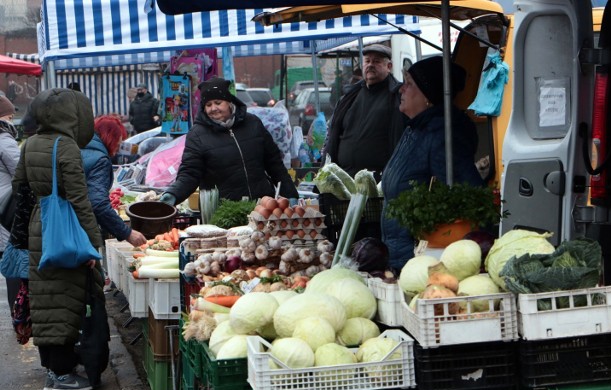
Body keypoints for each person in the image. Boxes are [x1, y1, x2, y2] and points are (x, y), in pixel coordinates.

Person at [12, 88, 104, 390]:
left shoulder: (29, 143)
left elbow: (20, 190)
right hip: (67, 230)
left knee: (46, 301)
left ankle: (54, 372)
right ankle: (63, 377)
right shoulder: (66, 146)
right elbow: (80, 200)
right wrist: (93, 245)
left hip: (40, 225)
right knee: (66, 300)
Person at [381, 56, 484, 271]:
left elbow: (463, 194)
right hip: (402, 253)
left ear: (428, 96)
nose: (401, 89)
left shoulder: (443, 135)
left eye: (409, 84)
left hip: (425, 261)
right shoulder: (416, 128)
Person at [159, 77, 298, 205]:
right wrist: (173, 194)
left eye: (218, 103)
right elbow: (189, 173)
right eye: (208, 105)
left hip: (261, 205)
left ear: (229, 102)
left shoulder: (253, 123)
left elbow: (274, 164)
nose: (213, 108)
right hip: (223, 210)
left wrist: (290, 193)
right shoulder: (197, 135)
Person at [324, 44, 406, 179]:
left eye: (377, 61)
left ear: (389, 66)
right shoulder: (350, 96)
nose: (370, 65)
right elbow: (334, 135)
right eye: (367, 61)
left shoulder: (398, 96)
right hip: (345, 179)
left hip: (380, 182)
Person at [82, 115, 147, 248]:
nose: (119, 146)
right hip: (82, 231)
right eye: (119, 141)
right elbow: (98, 204)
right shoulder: (99, 160)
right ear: (110, 137)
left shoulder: (80, 148)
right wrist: (126, 233)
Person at [0, 95, 20, 312]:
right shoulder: (4, 139)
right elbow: (22, 173)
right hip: (6, 211)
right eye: (9, 115)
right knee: (13, 262)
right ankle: (19, 314)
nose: (12, 119)